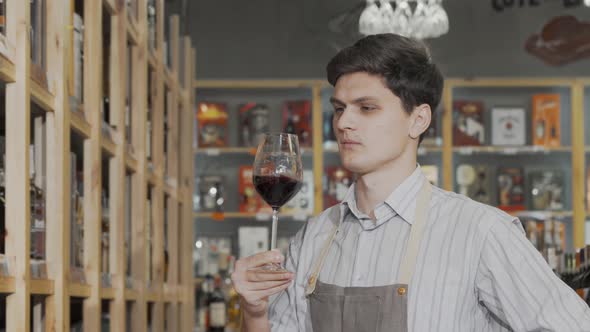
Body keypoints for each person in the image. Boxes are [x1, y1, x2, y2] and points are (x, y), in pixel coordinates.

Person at [230, 33, 590, 331]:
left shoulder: (481, 232)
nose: (343, 124)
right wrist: (255, 312)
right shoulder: (313, 238)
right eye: (340, 109)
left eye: (366, 108)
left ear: (418, 120)